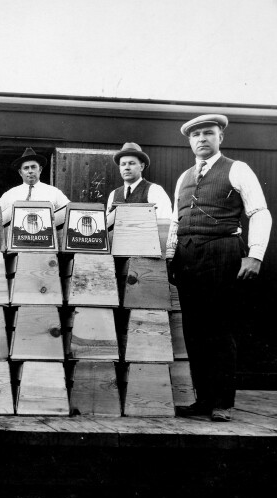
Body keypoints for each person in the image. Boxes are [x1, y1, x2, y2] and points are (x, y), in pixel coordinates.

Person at [166, 114, 272, 422]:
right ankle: (204, 400)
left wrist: (255, 255)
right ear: (189, 141)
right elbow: (176, 221)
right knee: (194, 332)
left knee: (219, 330)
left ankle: (222, 403)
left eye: (208, 133)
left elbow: (259, 212)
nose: (202, 138)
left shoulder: (237, 169)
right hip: (187, 260)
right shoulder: (184, 177)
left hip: (223, 254)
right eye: (196, 134)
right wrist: (172, 256)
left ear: (220, 138)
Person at [0, 147, 70, 219]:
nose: (30, 171)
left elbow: (69, 212)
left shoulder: (54, 192)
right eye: (26, 168)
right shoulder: (9, 194)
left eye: (33, 167)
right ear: (20, 172)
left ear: (40, 169)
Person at [107, 142, 172, 219]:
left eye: (131, 163)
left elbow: (164, 224)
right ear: (119, 169)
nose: (127, 167)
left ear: (141, 166)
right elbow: (108, 226)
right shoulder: (113, 195)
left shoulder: (155, 191)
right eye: (123, 164)